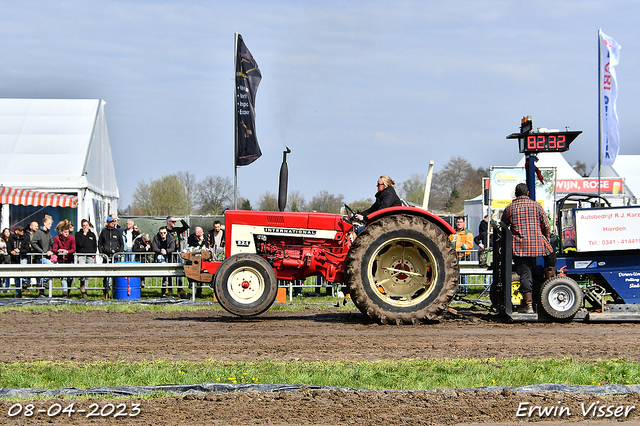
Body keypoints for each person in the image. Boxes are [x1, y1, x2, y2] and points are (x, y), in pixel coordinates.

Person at [501, 182, 555, 314]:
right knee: (551, 256)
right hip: (538, 243)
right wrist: (546, 237)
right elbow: (546, 226)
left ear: (515, 194)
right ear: (528, 193)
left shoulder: (510, 208)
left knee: (525, 274)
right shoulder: (537, 206)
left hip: (519, 246)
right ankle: (549, 282)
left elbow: (503, 225)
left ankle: (528, 305)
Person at [98, 216, 125, 298]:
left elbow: (121, 243)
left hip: (115, 256)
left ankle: (115, 291)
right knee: (106, 275)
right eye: (111, 222)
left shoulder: (117, 232)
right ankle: (106, 291)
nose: (112, 223)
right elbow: (99, 243)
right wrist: (101, 253)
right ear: (108, 223)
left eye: (113, 222)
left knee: (115, 274)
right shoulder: (103, 232)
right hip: (106, 256)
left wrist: (119, 252)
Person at [449, 216, 474, 294]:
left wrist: (461, 249)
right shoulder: (452, 232)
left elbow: (469, 244)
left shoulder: (467, 233)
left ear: (464, 223)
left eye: (460, 222)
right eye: (458, 222)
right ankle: (457, 289)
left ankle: (464, 289)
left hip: (463, 256)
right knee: (455, 274)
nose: (459, 224)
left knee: (463, 274)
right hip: (454, 256)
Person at [31, 215, 55, 296]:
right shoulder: (38, 232)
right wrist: (41, 251)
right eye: (49, 223)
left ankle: (41, 292)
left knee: (44, 273)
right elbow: (33, 242)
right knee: (51, 266)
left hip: (46, 255)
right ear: (44, 223)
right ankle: (44, 282)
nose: (50, 225)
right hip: (40, 256)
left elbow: (51, 242)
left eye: (51, 224)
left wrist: (50, 251)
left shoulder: (48, 233)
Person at [166, 216, 189, 293]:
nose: (174, 223)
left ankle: (180, 288)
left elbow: (186, 227)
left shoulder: (176, 230)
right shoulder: (164, 230)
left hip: (177, 252)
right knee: (170, 271)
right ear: (168, 222)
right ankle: (170, 288)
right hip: (169, 252)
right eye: (173, 221)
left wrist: (180, 219)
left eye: (175, 222)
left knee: (179, 270)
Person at [75, 219, 98, 298]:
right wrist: (84, 235)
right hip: (81, 254)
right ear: (82, 226)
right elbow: (79, 244)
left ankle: (85, 289)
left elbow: (95, 245)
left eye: (86, 225)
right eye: (84, 225)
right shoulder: (78, 234)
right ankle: (82, 282)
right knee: (82, 270)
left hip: (90, 255)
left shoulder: (92, 235)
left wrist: (94, 254)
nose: (85, 227)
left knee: (88, 272)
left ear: (88, 225)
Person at [152, 226, 177, 297]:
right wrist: (160, 251)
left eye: (164, 233)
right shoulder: (156, 238)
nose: (162, 234)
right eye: (161, 233)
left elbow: (172, 247)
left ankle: (172, 290)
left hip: (169, 257)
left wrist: (166, 251)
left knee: (171, 275)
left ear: (166, 233)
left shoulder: (171, 238)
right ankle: (163, 292)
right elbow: (154, 247)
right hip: (160, 256)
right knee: (164, 274)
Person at [53, 224, 76, 297]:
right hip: (61, 260)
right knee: (63, 276)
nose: (66, 234)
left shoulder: (72, 238)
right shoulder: (57, 238)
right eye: (65, 232)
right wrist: (58, 251)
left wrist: (67, 251)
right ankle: (64, 291)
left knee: (70, 277)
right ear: (61, 232)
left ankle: (67, 289)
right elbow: (54, 249)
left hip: (69, 259)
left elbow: (73, 249)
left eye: (68, 232)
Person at [8, 225, 30, 298]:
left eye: (23, 230)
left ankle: (24, 282)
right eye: (20, 230)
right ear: (16, 231)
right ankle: (18, 292)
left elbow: (27, 249)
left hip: (22, 257)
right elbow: (8, 249)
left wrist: (20, 251)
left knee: (23, 267)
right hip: (14, 259)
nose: (22, 232)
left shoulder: (25, 238)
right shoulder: (11, 239)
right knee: (16, 276)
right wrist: (12, 252)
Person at [187, 227, 207, 298]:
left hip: (201, 260)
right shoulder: (191, 238)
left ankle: (199, 292)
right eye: (201, 232)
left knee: (200, 276)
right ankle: (191, 287)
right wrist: (200, 242)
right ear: (197, 233)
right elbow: (194, 247)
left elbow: (205, 245)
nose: (203, 233)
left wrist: (203, 244)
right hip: (193, 260)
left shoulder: (204, 237)